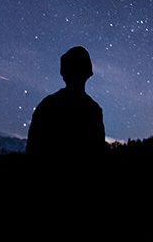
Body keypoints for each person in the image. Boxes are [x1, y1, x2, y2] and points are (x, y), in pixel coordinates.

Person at [26, 46, 106, 176]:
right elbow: (98, 156)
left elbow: (33, 151)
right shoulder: (92, 109)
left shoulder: (48, 105)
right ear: (87, 73)